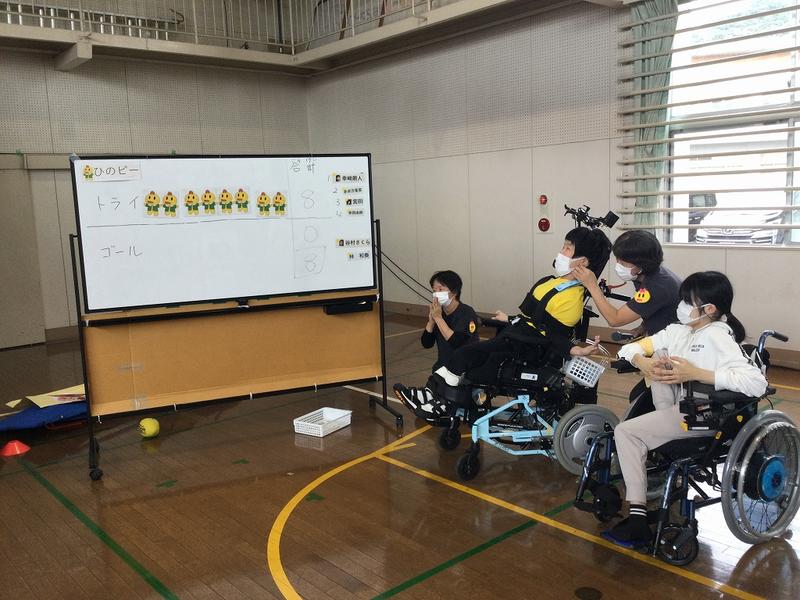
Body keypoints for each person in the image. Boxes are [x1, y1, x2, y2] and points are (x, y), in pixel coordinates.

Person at [605, 271, 767, 548]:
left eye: (686, 301)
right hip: (678, 409)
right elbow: (629, 350)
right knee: (659, 356)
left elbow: (757, 383)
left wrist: (698, 373)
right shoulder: (677, 331)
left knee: (626, 432)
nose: (680, 306)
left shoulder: (718, 337)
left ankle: (637, 517)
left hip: (706, 416)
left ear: (709, 309)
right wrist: (641, 361)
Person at [394, 226, 612, 422]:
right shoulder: (549, 282)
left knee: (464, 355)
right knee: (462, 355)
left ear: (583, 262)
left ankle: (440, 403)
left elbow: (551, 335)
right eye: (563, 246)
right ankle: (430, 395)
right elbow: (531, 318)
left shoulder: (572, 299)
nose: (561, 252)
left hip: (527, 349)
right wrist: (509, 319)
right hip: (515, 337)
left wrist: (573, 349)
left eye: (567, 248)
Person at [573, 230, 681, 338]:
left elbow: (615, 320)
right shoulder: (645, 274)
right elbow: (654, 308)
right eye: (617, 260)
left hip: (674, 340)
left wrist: (592, 286)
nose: (618, 265)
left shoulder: (657, 286)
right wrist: (644, 326)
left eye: (623, 262)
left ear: (641, 264)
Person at [422, 270, 480, 372]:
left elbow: (456, 342)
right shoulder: (439, 312)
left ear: (454, 292)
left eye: (440, 289)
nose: (436, 294)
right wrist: (431, 322)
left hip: (464, 370)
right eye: (434, 290)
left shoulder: (466, 312)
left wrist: (438, 318)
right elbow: (426, 344)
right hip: (443, 368)